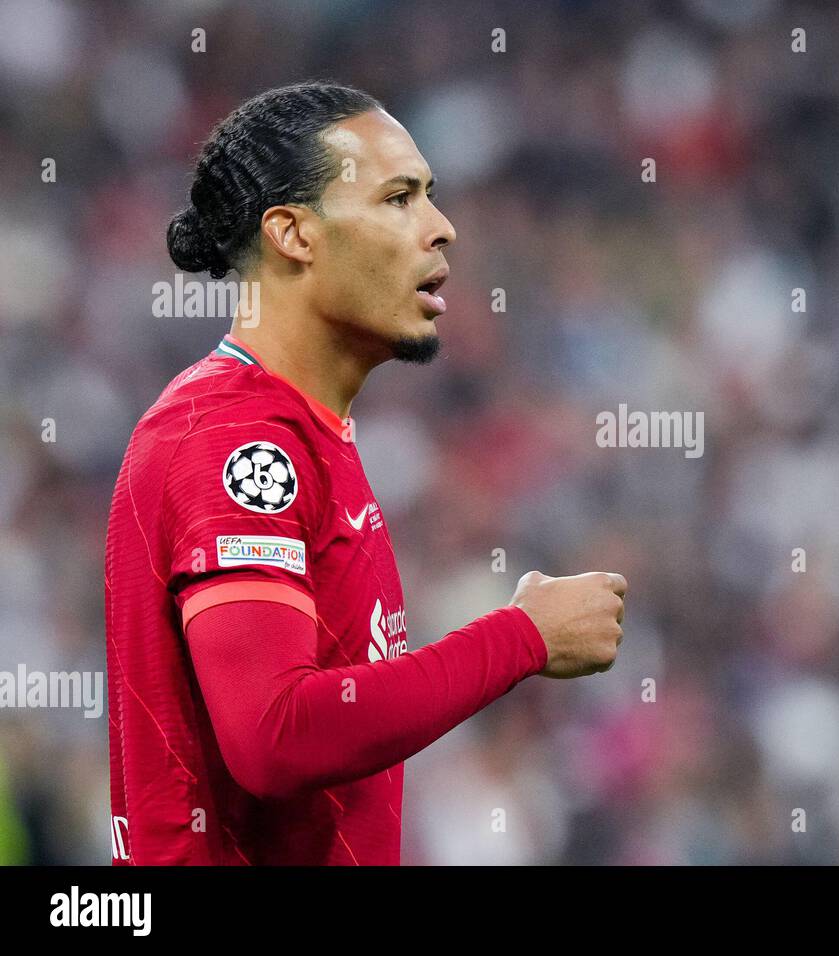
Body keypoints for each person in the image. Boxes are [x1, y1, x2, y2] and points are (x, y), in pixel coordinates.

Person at [104, 80, 627, 865]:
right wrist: (521, 639)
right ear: (294, 234)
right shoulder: (233, 440)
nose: (443, 228)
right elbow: (275, 736)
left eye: (430, 196)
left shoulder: (307, 433)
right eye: (398, 198)